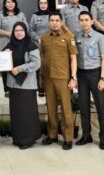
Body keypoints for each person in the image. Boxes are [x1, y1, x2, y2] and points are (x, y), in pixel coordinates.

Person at [40, 12, 78, 150]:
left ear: (61, 22)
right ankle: (52, 135)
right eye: (52, 20)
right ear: (49, 22)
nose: (54, 23)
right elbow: (42, 58)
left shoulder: (68, 37)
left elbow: (73, 58)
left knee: (66, 109)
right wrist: (41, 77)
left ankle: (68, 138)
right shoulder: (44, 38)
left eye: (57, 20)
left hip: (63, 78)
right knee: (51, 108)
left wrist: (73, 77)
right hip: (48, 78)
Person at [75, 11, 104, 150]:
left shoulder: (100, 37)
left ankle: (103, 137)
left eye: (86, 20)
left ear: (91, 21)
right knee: (83, 106)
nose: (84, 22)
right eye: (81, 20)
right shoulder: (77, 37)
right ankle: (86, 135)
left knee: (101, 107)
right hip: (81, 74)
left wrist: (103, 78)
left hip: (96, 74)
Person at [5, 22, 41, 149]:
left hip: (27, 85)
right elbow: (1, 62)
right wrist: (5, 55)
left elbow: (36, 64)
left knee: (27, 113)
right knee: (16, 112)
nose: (19, 33)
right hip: (13, 84)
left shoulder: (31, 46)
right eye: (16, 30)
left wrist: (20, 68)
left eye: (21, 30)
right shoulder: (9, 46)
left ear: (25, 32)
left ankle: (27, 139)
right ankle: (18, 138)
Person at [0, 0, 27, 97]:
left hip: (19, 45)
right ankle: (7, 89)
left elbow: (26, 28)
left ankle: (18, 87)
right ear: (5, 4)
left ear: (15, 3)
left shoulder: (20, 15)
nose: (10, 4)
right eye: (8, 2)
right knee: (5, 68)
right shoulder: (0, 14)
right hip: (4, 44)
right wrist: (10, 34)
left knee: (17, 66)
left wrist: (18, 34)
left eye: (12, 2)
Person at [29, 0, 50, 97]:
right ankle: (40, 88)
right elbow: (31, 30)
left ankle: (49, 88)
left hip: (50, 44)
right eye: (41, 3)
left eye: (45, 3)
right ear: (38, 4)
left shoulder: (52, 15)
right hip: (38, 45)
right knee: (39, 67)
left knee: (48, 66)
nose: (43, 5)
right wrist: (38, 39)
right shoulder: (34, 16)